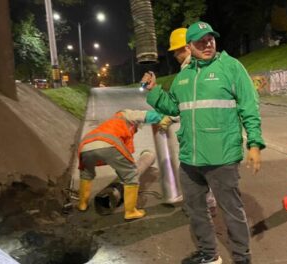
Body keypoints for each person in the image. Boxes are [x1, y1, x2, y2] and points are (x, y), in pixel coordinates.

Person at [141, 21, 265, 264]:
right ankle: (210, 256)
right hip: (190, 158)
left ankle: (242, 258)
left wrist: (254, 144)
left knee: (232, 213)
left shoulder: (231, 67)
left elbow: (249, 107)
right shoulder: (183, 77)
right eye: (200, 41)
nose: (207, 44)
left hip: (222, 158)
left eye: (211, 39)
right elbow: (173, 107)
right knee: (196, 211)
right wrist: (154, 91)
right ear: (190, 46)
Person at [77, 109, 173, 220]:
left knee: (86, 174)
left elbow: (124, 153)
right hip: (108, 143)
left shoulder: (113, 123)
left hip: (85, 145)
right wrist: (164, 117)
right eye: (136, 127)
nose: (136, 129)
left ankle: (82, 204)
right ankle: (131, 212)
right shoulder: (126, 114)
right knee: (131, 175)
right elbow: (148, 115)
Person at [168, 27, 217, 217]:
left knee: (197, 173)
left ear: (188, 48)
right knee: (201, 172)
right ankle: (205, 205)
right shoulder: (189, 68)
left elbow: (193, 103)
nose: (174, 55)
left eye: (177, 50)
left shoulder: (193, 69)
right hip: (199, 132)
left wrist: (170, 117)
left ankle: (205, 207)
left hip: (201, 133)